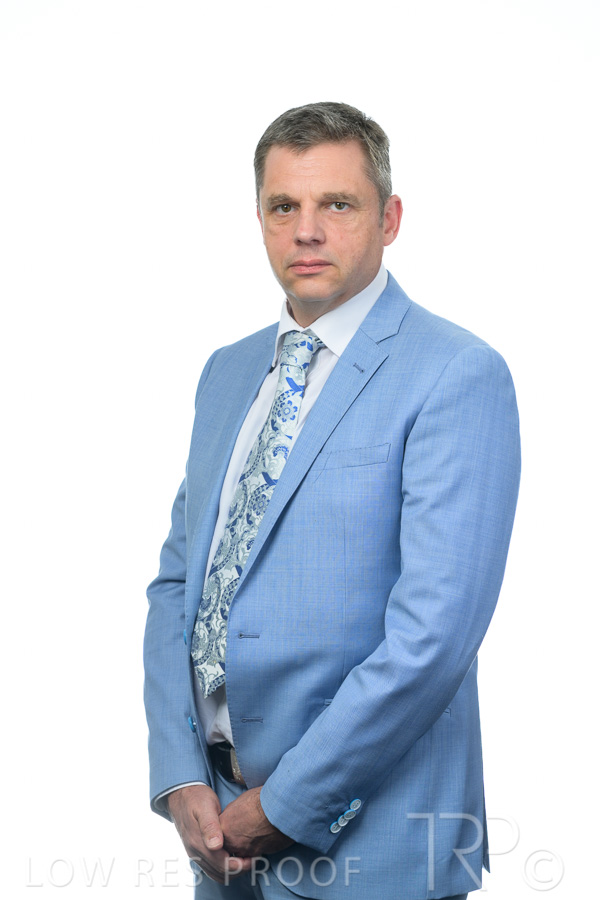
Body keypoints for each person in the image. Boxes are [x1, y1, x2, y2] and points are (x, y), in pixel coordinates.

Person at [143, 101, 521, 900]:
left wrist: (285, 805)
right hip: (221, 843)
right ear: (259, 219)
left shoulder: (455, 373)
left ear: (389, 219)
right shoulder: (227, 372)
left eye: (337, 204)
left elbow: (433, 638)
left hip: (376, 851)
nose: (306, 231)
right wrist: (179, 774)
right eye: (284, 206)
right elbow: (179, 585)